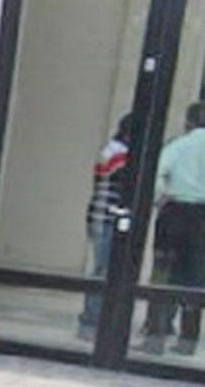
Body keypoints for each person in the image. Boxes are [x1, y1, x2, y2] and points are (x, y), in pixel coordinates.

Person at [143, 102, 205, 356]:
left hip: (175, 212)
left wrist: (161, 196)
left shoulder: (178, 146)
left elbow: (157, 173)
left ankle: (156, 334)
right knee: (196, 277)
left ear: (189, 122)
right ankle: (188, 339)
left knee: (163, 273)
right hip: (202, 216)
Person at [79, 113, 135, 342]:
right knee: (103, 271)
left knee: (105, 270)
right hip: (106, 219)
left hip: (102, 217)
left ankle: (96, 322)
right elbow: (128, 180)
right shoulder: (117, 154)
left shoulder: (113, 151)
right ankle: (91, 323)